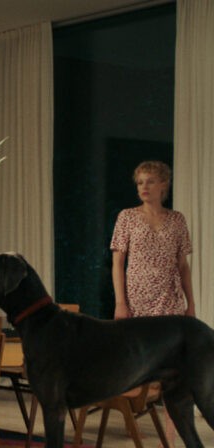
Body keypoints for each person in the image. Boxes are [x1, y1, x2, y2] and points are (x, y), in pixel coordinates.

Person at [110, 160, 195, 447]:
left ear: (163, 185)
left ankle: (169, 435)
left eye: (149, 181)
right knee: (136, 363)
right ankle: (131, 422)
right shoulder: (127, 217)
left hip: (170, 298)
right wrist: (120, 303)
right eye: (139, 182)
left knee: (174, 368)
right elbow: (117, 263)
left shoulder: (177, 219)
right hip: (137, 300)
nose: (143, 187)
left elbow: (183, 266)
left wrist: (191, 304)